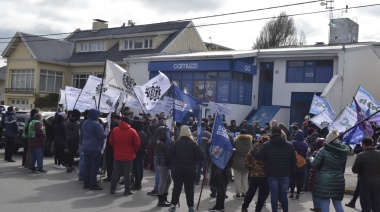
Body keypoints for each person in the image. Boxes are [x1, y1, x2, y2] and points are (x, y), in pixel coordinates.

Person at [250, 126, 296, 212]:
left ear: (272, 133)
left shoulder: (267, 145)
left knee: (274, 194)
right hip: (285, 173)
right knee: (283, 194)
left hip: (271, 174)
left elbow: (259, 156)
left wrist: (253, 151)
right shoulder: (289, 145)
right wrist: (289, 171)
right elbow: (293, 160)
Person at [310, 129, 349, 212]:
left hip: (324, 181)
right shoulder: (343, 152)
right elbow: (343, 167)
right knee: (337, 203)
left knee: (324, 202)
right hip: (338, 180)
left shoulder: (323, 150)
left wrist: (311, 158)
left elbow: (314, 164)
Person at [167, 125, 204, 212]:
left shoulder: (176, 143)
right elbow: (201, 156)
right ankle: (190, 207)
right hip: (190, 169)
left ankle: (173, 206)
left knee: (177, 187)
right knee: (189, 188)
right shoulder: (194, 143)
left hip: (177, 168)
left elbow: (169, 154)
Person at [109, 116, 140, 195]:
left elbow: (111, 141)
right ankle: (127, 190)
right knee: (127, 174)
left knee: (115, 172)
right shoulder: (132, 131)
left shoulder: (115, 130)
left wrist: (116, 147)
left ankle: (112, 189)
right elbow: (137, 143)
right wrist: (134, 151)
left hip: (117, 155)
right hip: (128, 156)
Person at [81, 109, 109, 190]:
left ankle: (86, 183)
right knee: (94, 167)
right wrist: (107, 132)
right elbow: (102, 136)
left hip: (85, 146)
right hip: (95, 147)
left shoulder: (84, 123)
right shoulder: (97, 125)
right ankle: (93, 183)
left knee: (87, 166)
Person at [241, 134, 270, 212]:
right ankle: (258, 210)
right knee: (262, 195)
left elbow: (246, 162)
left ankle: (244, 207)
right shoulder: (269, 150)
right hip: (265, 175)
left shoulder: (253, 149)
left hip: (254, 175)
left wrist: (251, 169)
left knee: (250, 192)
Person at [352, 137, 380, 212]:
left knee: (365, 205)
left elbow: (354, 170)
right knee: (377, 204)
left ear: (363, 145)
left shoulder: (361, 155)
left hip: (365, 183)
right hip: (377, 184)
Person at [232, 129, 252, 199]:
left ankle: (238, 194)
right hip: (247, 161)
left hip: (238, 160)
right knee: (245, 179)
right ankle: (244, 193)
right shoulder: (250, 141)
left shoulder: (237, 141)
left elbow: (234, 148)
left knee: (237, 178)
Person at [289, 130, 308, 200]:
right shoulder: (305, 144)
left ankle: (291, 194)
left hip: (293, 164)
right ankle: (297, 194)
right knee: (300, 181)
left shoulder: (292, 143)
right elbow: (307, 154)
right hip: (302, 165)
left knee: (292, 180)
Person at [155, 126, 172, 207]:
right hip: (163, 164)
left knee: (168, 181)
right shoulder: (161, 143)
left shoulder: (163, 142)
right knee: (163, 182)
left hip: (165, 163)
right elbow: (169, 151)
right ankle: (161, 200)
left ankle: (164, 197)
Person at [308, 138, 325, 212]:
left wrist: (309, 155)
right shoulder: (327, 152)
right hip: (323, 174)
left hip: (316, 174)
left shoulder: (316, 152)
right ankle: (320, 206)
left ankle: (317, 207)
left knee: (314, 191)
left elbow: (312, 163)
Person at [131, 116, 148, 191]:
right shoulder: (143, 133)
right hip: (142, 153)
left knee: (136, 168)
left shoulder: (135, 133)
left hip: (137, 152)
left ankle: (137, 184)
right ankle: (139, 183)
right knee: (140, 168)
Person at [345, 143, 363, 208]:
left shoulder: (361, 155)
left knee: (361, 191)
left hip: (364, 178)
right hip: (375, 178)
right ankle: (353, 202)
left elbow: (354, 169)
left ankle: (353, 202)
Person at [103, 114, 120, 182]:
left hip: (109, 146)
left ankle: (109, 176)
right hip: (116, 146)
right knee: (115, 163)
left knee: (109, 162)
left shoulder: (108, 124)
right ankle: (116, 177)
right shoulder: (118, 125)